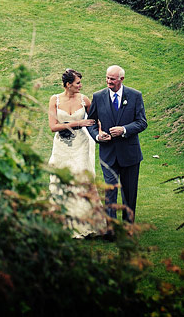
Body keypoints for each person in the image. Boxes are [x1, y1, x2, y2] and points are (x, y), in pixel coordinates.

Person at [48, 69, 107, 238]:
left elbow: (97, 119)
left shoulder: (84, 99)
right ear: (68, 85)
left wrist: (100, 131)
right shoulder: (55, 100)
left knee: (82, 179)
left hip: (82, 144)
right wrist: (78, 122)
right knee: (62, 180)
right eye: (78, 83)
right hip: (62, 146)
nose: (81, 85)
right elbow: (53, 127)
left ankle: (88, 224)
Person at [87, 65, 147, 226]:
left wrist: (124, 129)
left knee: (129, 193)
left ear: (121, 79)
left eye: (112, 79)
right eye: (107, 78)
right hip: (108, 154)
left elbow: (142, 123)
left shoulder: (135, 96)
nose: (108, 81)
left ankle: (128, 226)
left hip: (130, 154)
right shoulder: (98, 97)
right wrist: (98, 136)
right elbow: (90, 123)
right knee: (109, 192)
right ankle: (111, 228)